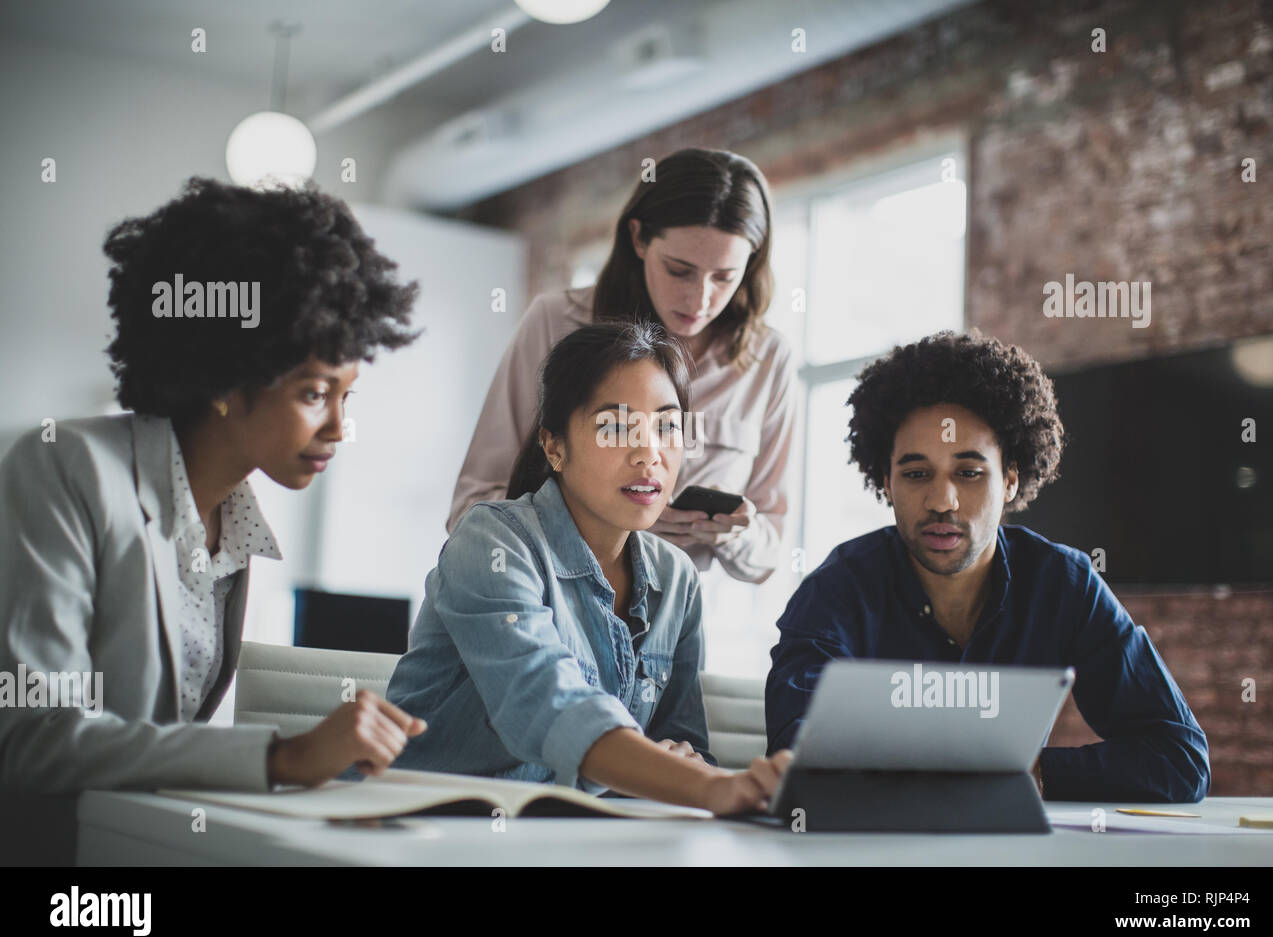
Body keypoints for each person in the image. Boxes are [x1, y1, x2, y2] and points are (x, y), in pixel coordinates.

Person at [0, 177, 428, 795]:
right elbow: (34, 738)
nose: (339, 428)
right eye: (314, 394)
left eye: (345, 396)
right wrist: (280, 758)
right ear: (226, 378)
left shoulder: (235, 526)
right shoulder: (65, 468)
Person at [765, 331, 1210, 802]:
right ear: (886, 483)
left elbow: (1179, 759)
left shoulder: (1064, 585)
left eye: (969, 472)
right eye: (916, 474)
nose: (942, 501)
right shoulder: (836, 591)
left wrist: (1025, 770)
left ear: (1011, 480)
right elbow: (797, 753)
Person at [389, 321, 791, 814]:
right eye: (615, 427)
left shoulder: (678, 578)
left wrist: (684, 763)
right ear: (554, 446)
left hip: (576, 837)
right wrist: (710, 786)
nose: (650, 454)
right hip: (425, 829)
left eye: (667, 426)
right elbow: (545, 703)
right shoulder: (491, 542)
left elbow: (681, 741)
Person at [448, 147, 798, 585]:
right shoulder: (553, 323)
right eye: (679, 270)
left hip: (685, 636)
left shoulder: (770, 360)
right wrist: (608, 521)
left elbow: (772, 553)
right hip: (556, 615)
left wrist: (734, 534)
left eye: (724, 277)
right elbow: (473, 507)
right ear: (638, 238)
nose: (699, 299)